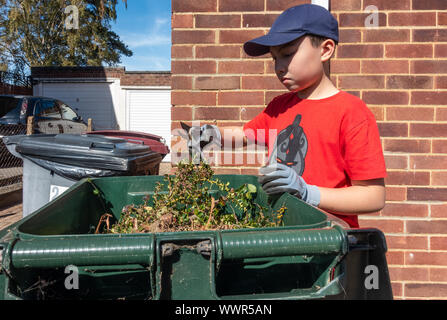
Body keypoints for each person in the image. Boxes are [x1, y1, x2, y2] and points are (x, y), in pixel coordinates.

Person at [186, 4, 387, 228]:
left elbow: (373, 196)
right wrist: (210, 134)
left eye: (288, 54)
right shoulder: (279, 107)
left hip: (326, 240)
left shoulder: (352, 112)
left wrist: (307, 192)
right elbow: (245, 135)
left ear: (326, 50)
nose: (279, 67)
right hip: (278, 231)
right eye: (274, 59)